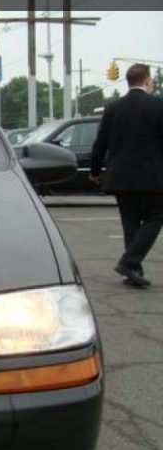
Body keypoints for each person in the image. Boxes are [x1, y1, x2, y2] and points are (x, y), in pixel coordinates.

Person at [90, 63, 163, 288]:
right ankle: (129, 262)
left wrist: (95, 170)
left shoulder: (113, 108)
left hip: (120, 176)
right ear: (147, 81)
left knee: (130, 221)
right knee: (155, 218)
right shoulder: (158, 105)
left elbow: (100, 142)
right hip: (151, 175)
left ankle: (133, 270)